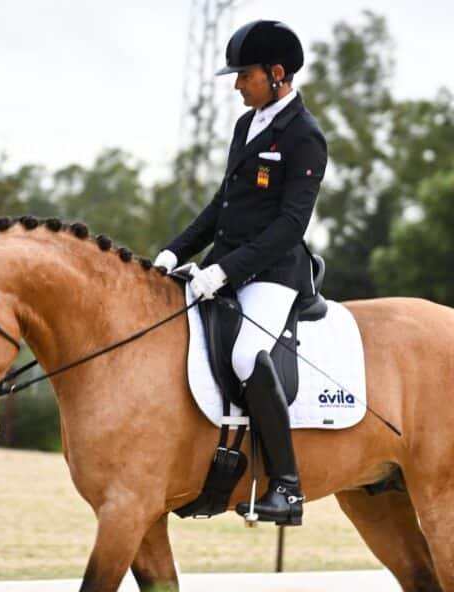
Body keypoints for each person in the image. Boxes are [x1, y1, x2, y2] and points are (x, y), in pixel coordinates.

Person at [153, 20, 328, 526]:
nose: (236, 85)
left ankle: (287, 487)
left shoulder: (305, 137)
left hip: (274, 273)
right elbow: (221, 207)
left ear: (277, 73)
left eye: (244, 75)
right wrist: (173, 252)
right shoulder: (246, 125)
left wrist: (224, 272)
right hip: (226, 267)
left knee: (250, 355)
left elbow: (290, 224)